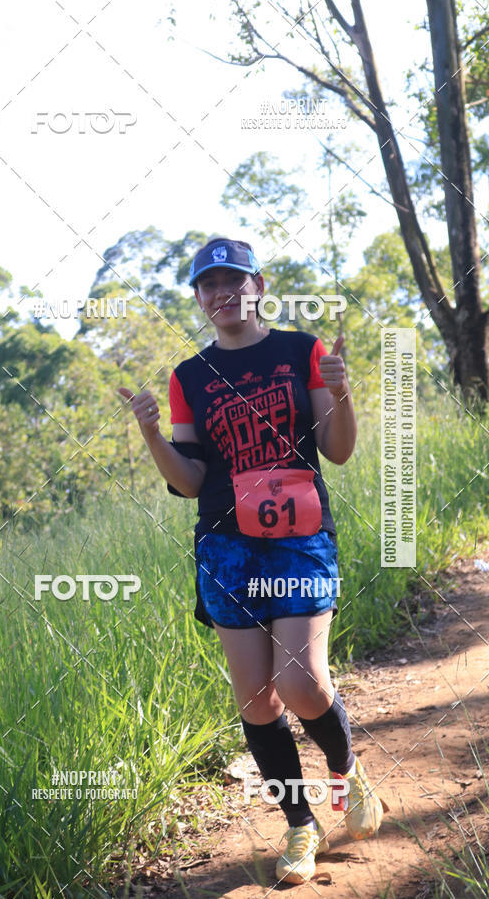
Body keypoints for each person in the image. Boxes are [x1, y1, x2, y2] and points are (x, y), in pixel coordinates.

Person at [118, 236, 384, 885]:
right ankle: (300, 826)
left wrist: (342, 393)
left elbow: (339, 450)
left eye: (233, 279)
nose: (222, 293)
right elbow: (188, 480)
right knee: (259, 701)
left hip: (299, 537)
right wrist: (152, 435)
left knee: (301, 684)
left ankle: (347, 772)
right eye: (208, 284)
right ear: (198, 298)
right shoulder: (189, 377)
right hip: (225, 544)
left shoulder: (302, 351)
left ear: (258, 286)